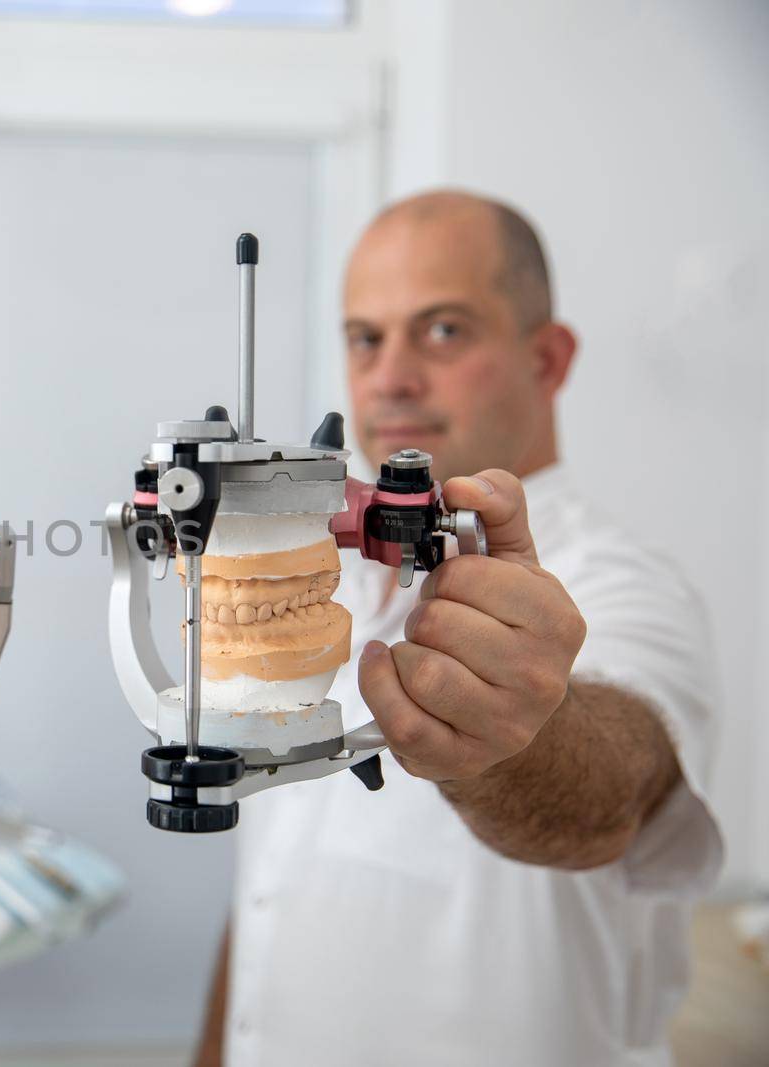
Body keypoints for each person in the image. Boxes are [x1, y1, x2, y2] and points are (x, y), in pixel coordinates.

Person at [194, 191, 723, 1066]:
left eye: (442, 331)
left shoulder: (627, 587)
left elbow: (609, 802)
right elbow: (273, 894)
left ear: (547, 359)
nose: (390, 375)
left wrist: (518, 736)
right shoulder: (322, 583)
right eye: (365, 337)